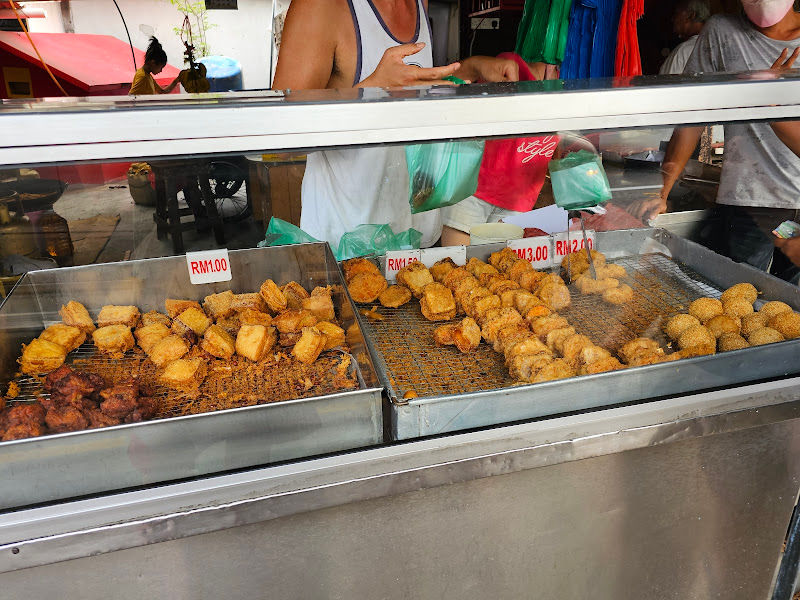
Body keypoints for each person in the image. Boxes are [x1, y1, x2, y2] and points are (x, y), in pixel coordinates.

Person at [272, 0, 520, 249]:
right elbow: (279, 136)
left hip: (417, 239)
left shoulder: (420, 4)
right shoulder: (320, 6)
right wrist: (372, 91)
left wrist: (471, 68)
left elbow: (414, 85)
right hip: (348, 250)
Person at [631, 0, 800, 284]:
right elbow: (694, 117)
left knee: (790, 307)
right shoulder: (722, 32)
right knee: (737, 296)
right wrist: (662, 189)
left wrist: (769, 104)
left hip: (794, 210)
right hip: (752, 205)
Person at [440, 54, 560, 246]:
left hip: (518, 201)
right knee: (455, 265)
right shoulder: (513, 67)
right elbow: (454, 86)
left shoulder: (573, 87)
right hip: (473, 190)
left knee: (498, 270)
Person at [659, 0, 711, 75]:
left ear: (691, 15)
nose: (673, 19)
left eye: (676, 14)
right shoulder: (718, 46)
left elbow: (666, 85)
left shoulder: (683, 51)